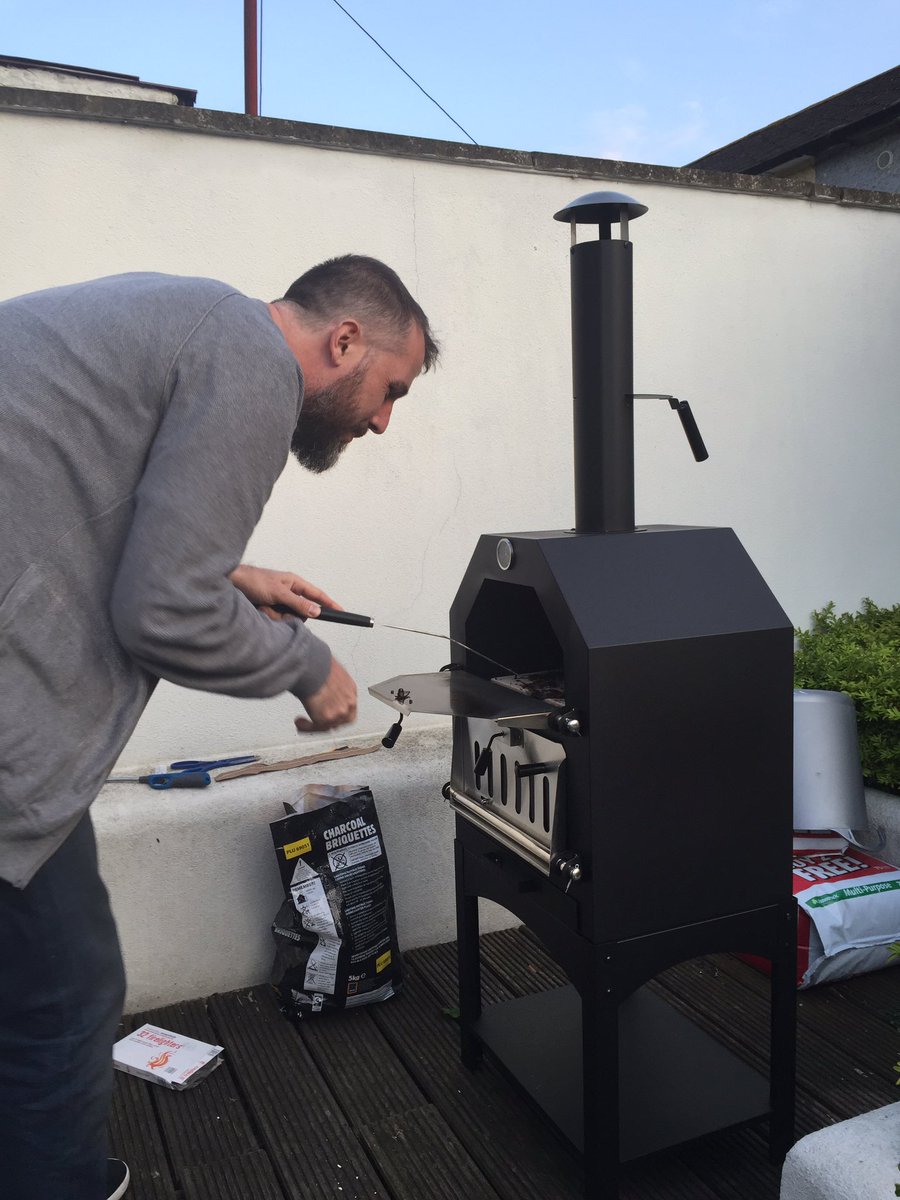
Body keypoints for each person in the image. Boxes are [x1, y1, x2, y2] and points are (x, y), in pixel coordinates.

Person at [0, 255, 438, 1200]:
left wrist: (234, 576)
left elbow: (86, 493)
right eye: (391, 391)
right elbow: (161, 611)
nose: (382, 422)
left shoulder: (190, 316)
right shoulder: (249, 361)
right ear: (345, 341)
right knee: (64, 994)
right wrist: (307, 667)